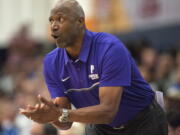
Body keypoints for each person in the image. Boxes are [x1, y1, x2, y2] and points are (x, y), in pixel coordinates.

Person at [20, 0, 168, 135]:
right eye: (51, 21)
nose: (54, 26)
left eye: (60, 19)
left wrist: (61, 114)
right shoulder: (51, 62)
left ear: (80, 21)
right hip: (100, 127)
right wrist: (50, 117)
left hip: (143, 122)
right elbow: (66, 123)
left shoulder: (109, 47)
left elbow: (108, 111)